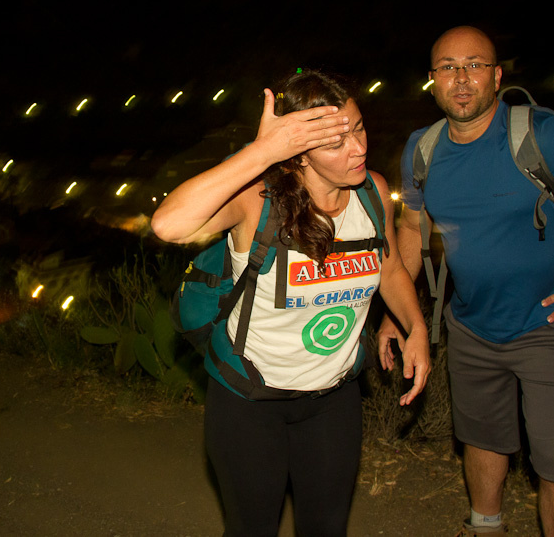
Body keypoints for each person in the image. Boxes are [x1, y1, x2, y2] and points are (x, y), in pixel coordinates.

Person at [378, 26, 554, 537]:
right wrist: (396, 315)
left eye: (474, 65)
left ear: (496, 76)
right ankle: (484, 526)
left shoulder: (543, 136)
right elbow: (409, 226)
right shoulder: (421, 148)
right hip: (471, 326)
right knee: (481, 439)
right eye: (448, 67)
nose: (461, 78)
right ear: (432, 80)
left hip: (553, 326)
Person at [152, 69, 431, 536]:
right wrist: (263, 151)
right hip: (249, 400)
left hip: (333, 399)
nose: (358, 148)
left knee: (326, 527)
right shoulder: (257, 200)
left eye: (358, 128)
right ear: (298, 153)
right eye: (335, 142)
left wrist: (415, 326)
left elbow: (389, 268)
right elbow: (168, 224)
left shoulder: (373, 192)